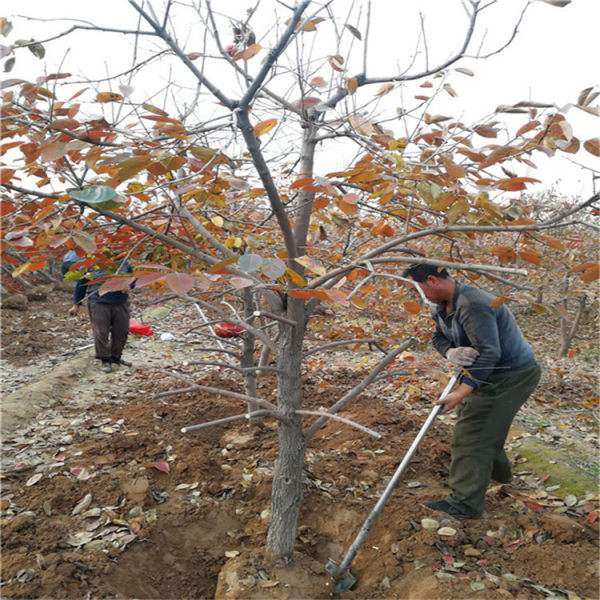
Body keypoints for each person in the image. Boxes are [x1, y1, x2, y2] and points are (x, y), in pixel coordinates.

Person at [402, 264, 541, 518]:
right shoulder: (443, 306)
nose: (417, 295)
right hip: (489, 373)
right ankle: (500, 475)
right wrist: (450, 351)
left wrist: (461, 393)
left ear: (432, 280)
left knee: (473, 433)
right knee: (484, 424)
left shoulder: (472, 304)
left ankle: (464, 504)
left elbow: (490, 352)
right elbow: (438, 338)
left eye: (417, 288)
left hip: (510, 376)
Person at [65, 256, 134, 373]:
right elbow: (81, 284)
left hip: (121, 301)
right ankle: (105, 360)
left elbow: (133, 278)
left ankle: (115, 358)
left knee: (121, 332)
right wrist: (76, 304)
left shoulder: (124, 261)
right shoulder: (92, 263)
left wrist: (129, 286)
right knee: (101, 332)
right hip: (98, 302)